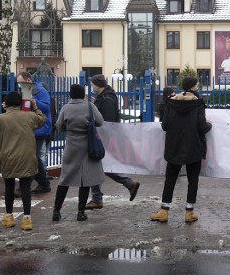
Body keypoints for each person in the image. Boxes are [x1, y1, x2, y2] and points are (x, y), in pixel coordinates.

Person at [150, 77, 212, 223]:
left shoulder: (171, 103)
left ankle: (164, 211)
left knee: (170, 178)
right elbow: (202, 127)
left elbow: (164, 126)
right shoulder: (198, 104)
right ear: (192, 87)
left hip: (174, 146)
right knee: (193, 180)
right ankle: (189, 212)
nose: (198, 86)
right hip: (193, 146)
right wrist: (210, 125)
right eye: (197, 84)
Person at [84, 74, 140, 210]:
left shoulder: (107, 98)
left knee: (97, 166)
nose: (92, 87)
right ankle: (128, 184)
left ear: (98, 85)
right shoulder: (105, 97)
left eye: (93, 84)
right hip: (102, 138)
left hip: (103, 138)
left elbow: (107, 122)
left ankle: (98, 198)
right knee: (101, 166)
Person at [0, 92, 46, 231]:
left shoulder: (0, 118)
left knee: (9, 187)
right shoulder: (29, 116)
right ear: (20, 103)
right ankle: (27, 219)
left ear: (7, 104)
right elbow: (42, 119)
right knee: (25, 188)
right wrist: (35, 107)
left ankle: (9, 217)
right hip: (26, 156)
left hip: (8, 156)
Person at [53, 84, 104, 222]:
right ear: (83, 95)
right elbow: (100, 122)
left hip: (71, 147)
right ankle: (81, 212)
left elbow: (59, 126)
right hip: (87, 146)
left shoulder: (65, 108)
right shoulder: (90, 107)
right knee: (85, 180)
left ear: (70, 94)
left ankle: (56, 211)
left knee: (64, 179)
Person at [16, 71, 53, 194]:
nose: (19, 86)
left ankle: (25, 187)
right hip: (31, 127)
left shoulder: (40, 91)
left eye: (20, 83)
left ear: (28, 80)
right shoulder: (25, 91)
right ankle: (43, 183)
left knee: (31, 158)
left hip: (40, 128)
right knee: (34, 158)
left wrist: (34, 102)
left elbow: (47, 108)